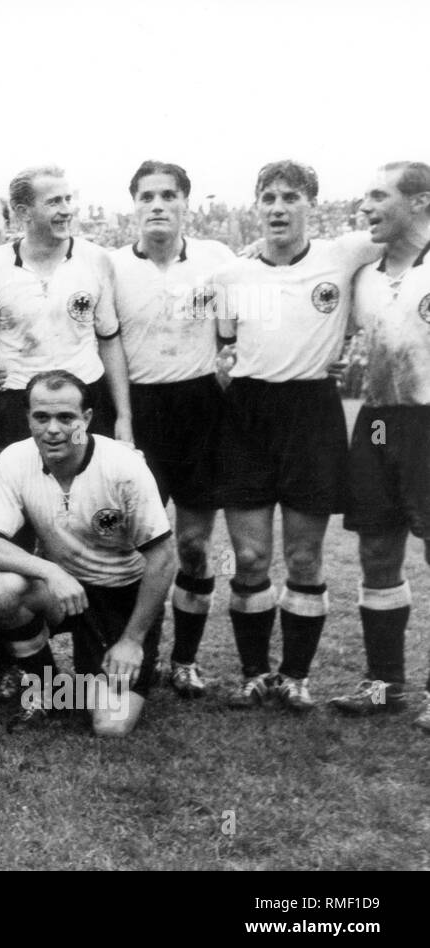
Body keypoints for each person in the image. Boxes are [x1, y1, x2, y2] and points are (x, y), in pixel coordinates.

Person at [209, 160, 382, 711]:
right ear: (256, 206)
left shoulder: (343, 254)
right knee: (252, 556)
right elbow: (222, 349)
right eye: (269, 198)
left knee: (305, 558)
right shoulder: (233, 276)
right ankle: (255, 673)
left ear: (312, 205)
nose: (279, 208)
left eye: (291, 198)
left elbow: (403, 231)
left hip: (312, 412)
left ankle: (297, 677)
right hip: (248, 414)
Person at [0, 370, 175, 736]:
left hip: (121, 596)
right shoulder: (14, 460)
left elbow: (164, 558)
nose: (52, 429)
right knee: (4, 590)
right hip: (66, 591)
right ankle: (48, 687)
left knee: (110, 726)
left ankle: (127, 657)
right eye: (41, 417)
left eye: (65, 418)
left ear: (86, 419)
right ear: (28, 419)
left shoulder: (124, 468)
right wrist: (51, 572)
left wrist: (132, 640)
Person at [108, 161, 237, 697]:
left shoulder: (218, 261)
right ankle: (136, 653)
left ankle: (185, 661)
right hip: (138, 409)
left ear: (187, 203)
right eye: (147, 196)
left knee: (192, 543)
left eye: (168, 196)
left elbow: (233, 337)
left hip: (200, 408)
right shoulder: (110, 267)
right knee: (134, 541)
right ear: (133, 205)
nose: (157, 205)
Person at [330, 161, 430, 731]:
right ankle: (384, 685)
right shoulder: (362, 272)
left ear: (418, 202)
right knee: (376, 546)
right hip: (378, 421)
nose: (364, 208)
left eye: (377, 196)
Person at [0, 165, 133, 448]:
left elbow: (109, 341)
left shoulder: (97, 260)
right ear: (23, 212)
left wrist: (124, 416)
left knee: (84, 475)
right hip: (21, 408)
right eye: (54, 202)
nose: (66, 210)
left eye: (68, 199)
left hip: (83, 405)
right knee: (28, 482)